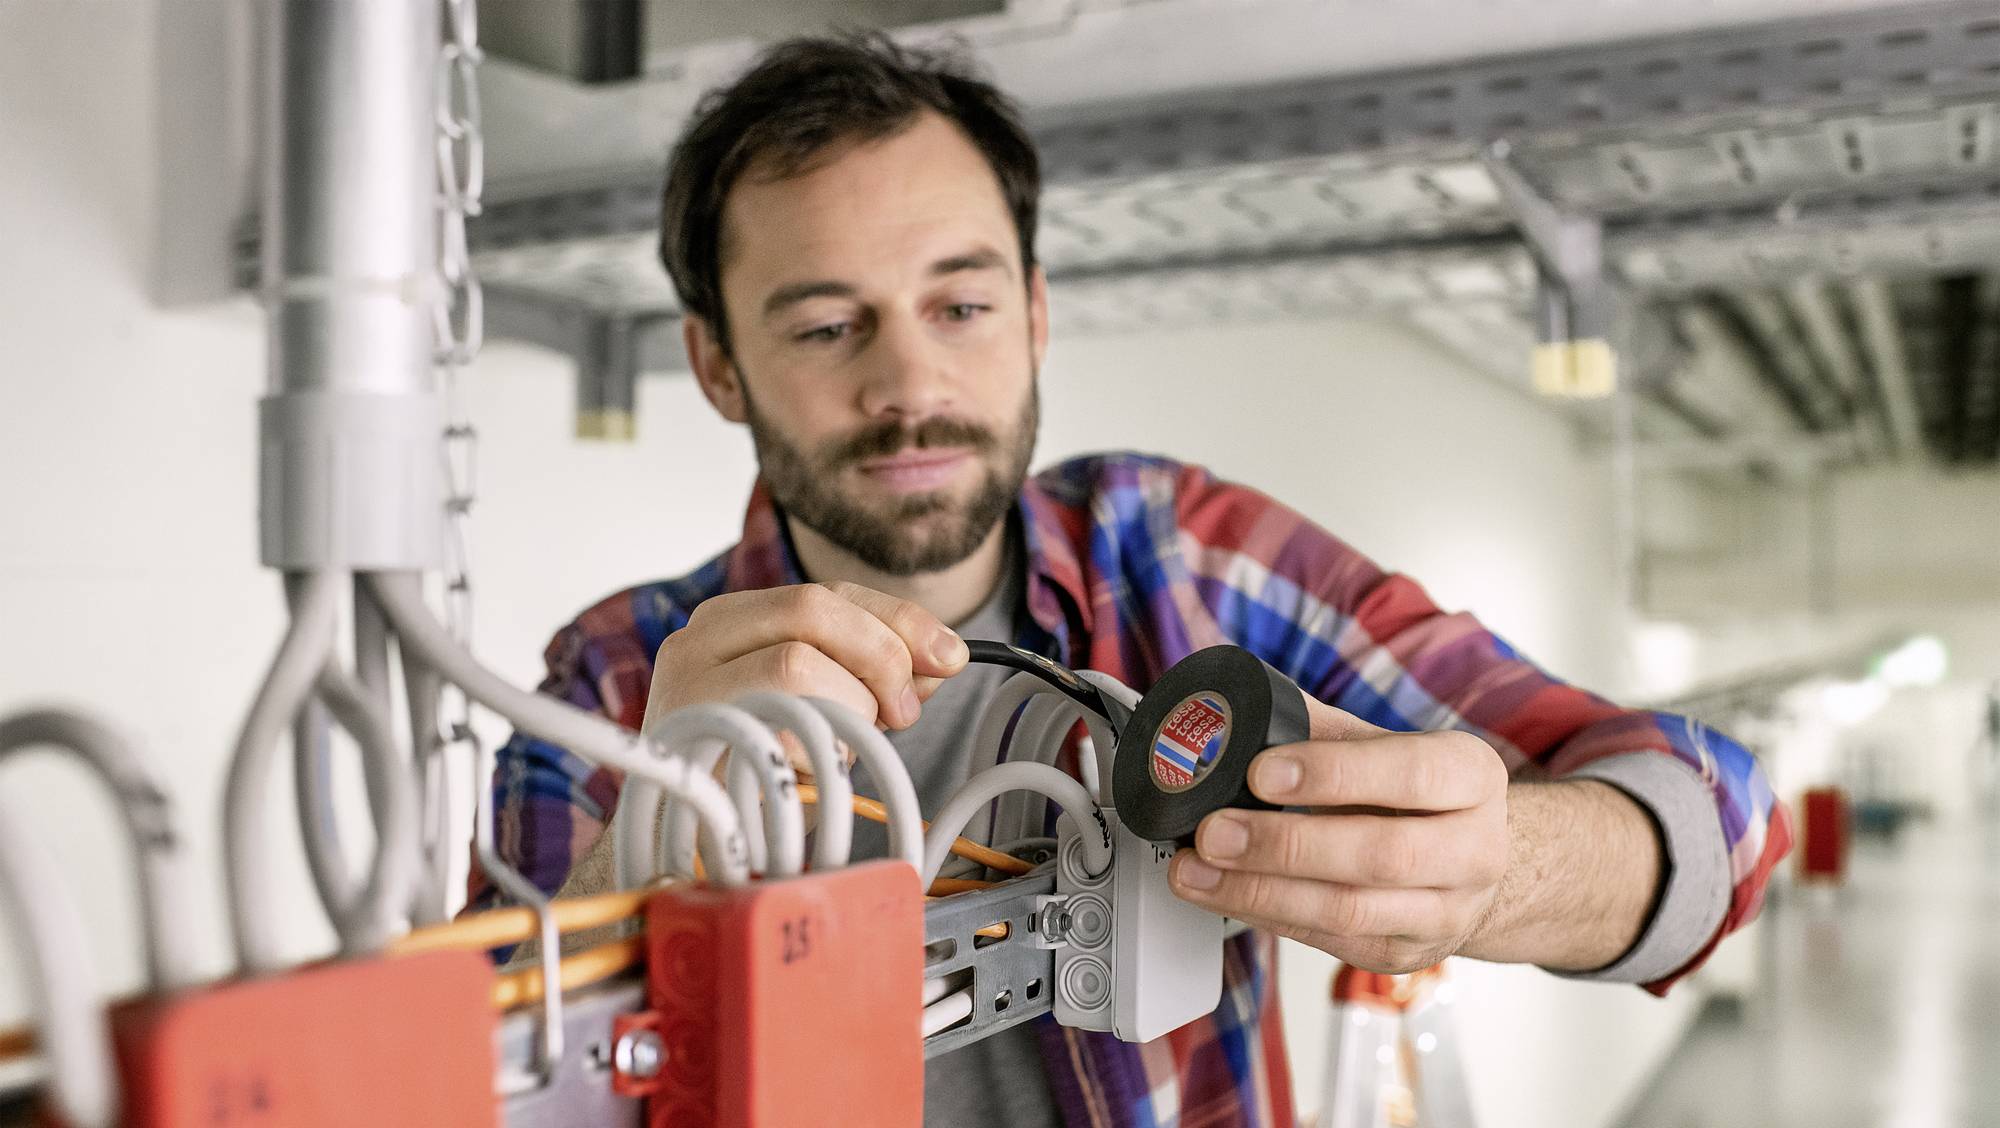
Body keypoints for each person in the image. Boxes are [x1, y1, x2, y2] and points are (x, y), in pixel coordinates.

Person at [476, 34, 1792, 1128]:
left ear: (1038, 315)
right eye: (826, 326)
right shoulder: (622, 675)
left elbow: (1725, 826)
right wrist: (644, 841)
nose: (911, 386)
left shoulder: (1180, 562)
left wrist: (1497, 872)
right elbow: (484, 1078)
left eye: (963, 306)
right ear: (716, 365)